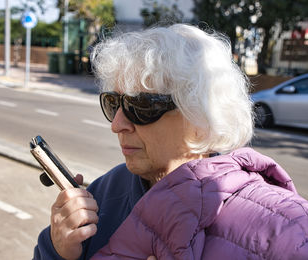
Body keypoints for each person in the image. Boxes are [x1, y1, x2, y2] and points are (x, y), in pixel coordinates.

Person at [33, 24, 308, 260]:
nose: (117, 125)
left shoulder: (286, 228)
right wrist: (58, 249)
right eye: (113, 103)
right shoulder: (108, 190)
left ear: (202, 115)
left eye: (140, 106)